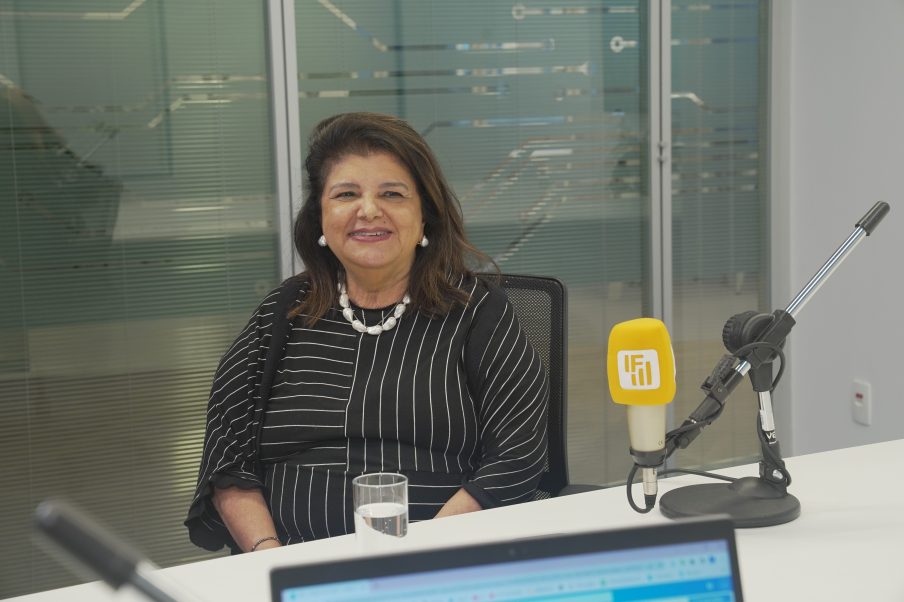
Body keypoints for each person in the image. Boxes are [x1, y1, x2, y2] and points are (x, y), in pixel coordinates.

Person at [185, 112, 549, 553]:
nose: (369, 210)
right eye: (346, 194)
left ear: (425, 218)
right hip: (287, 567)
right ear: (320, 217)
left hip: (435, 566)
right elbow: (229, 459)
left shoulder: (478, 313)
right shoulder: (282, 312)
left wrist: (420, 558)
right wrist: (269, 560)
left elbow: (517, 458)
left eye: (392, 193)